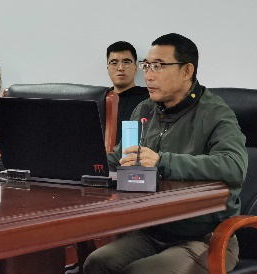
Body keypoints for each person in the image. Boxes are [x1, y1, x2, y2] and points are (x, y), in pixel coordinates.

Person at [84, 33, 248, 274]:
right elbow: (119, 157)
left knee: (141, 272)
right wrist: (81, 166)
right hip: (153, 231)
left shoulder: (215, 112)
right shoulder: (145, 109)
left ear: (187, 71)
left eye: (159, 66)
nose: (148, 75)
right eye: (147, 66)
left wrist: (163, 161)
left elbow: (234, 166)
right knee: (96, 263)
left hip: (206, 238)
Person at [106, 41, 149, 144]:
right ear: (108, 68)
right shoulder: (101, 100)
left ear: (135, 67)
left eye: (126, 62)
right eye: (114, 63)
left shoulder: (150, 98)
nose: (120, 68)